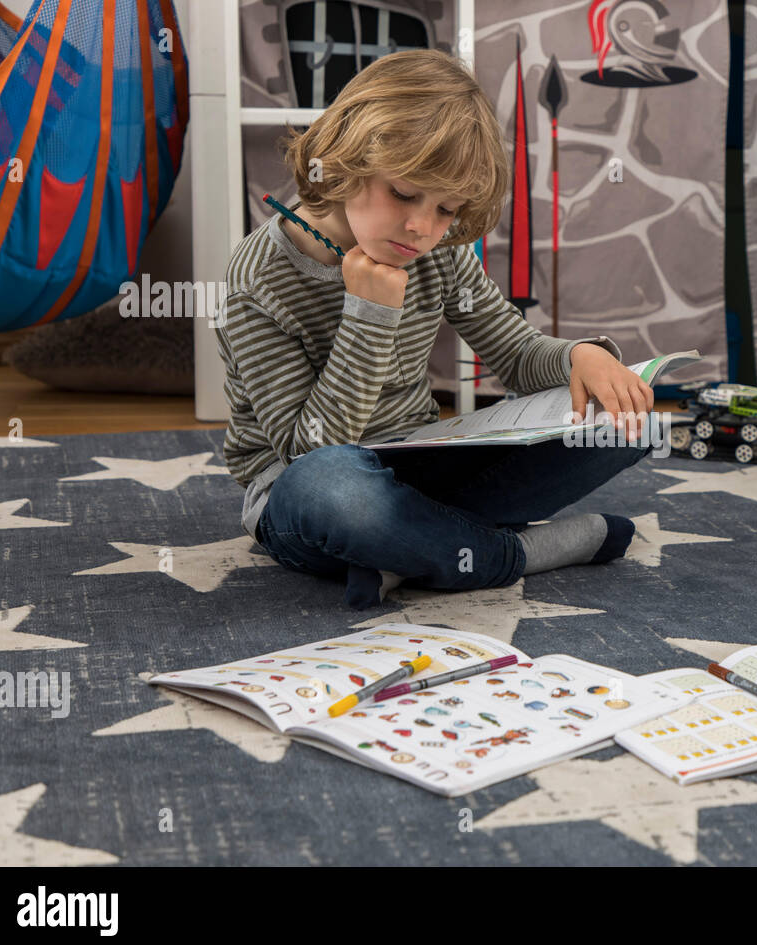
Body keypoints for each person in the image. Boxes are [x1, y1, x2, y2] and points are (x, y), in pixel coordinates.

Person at [216, 50, 654, 609]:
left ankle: (413, 554)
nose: (423, 227)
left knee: (624, 423)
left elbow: (516, 352)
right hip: (304, 493)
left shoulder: (436, 251)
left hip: (423, 467)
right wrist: (370, 313)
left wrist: (580, 359)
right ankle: (516, 553)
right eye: (403, 193)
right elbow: (311, 450)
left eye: (446, 209)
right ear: (343, 157)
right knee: (335, 489)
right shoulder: (258, 275)